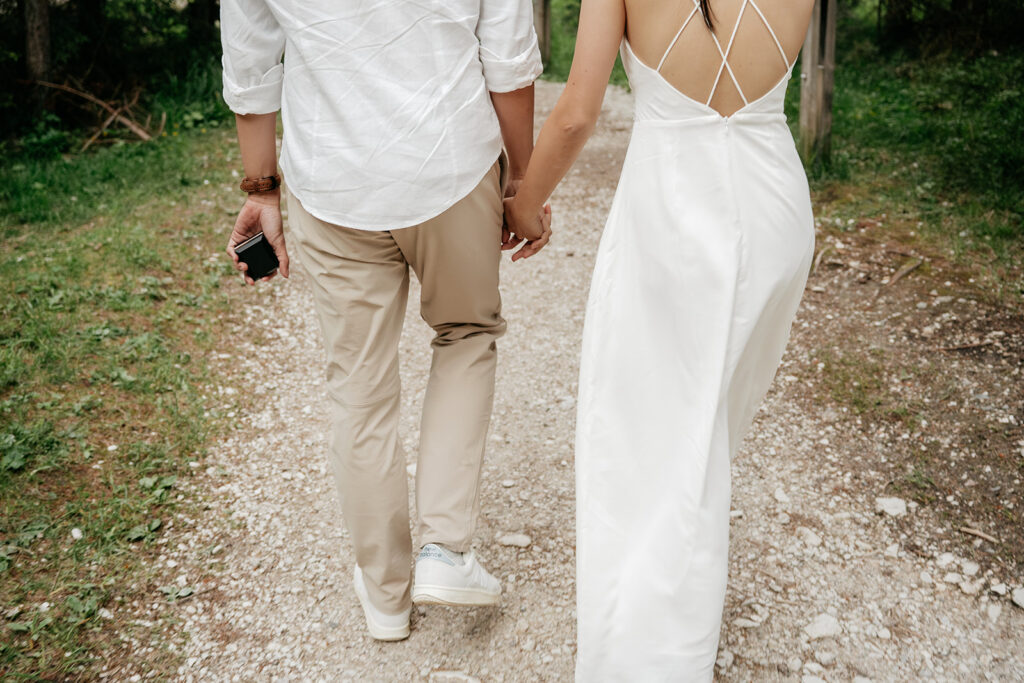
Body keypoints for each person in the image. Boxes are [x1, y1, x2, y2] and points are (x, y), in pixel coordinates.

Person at [219, 1, 550, 642]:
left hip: (334, 184)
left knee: (359, 387)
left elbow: (252, 64)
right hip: (452, 167)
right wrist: (523, 181)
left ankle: (387, 595)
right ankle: (446, 553)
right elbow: (507, 59)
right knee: (466, 334)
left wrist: (262, 191)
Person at [504, 0, 816, 677]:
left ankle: (651, 650)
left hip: (674, 211)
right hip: (775, 208)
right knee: (705, 433)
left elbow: (578, 110)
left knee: (642, 432)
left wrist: (525, 204)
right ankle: (674, 615)